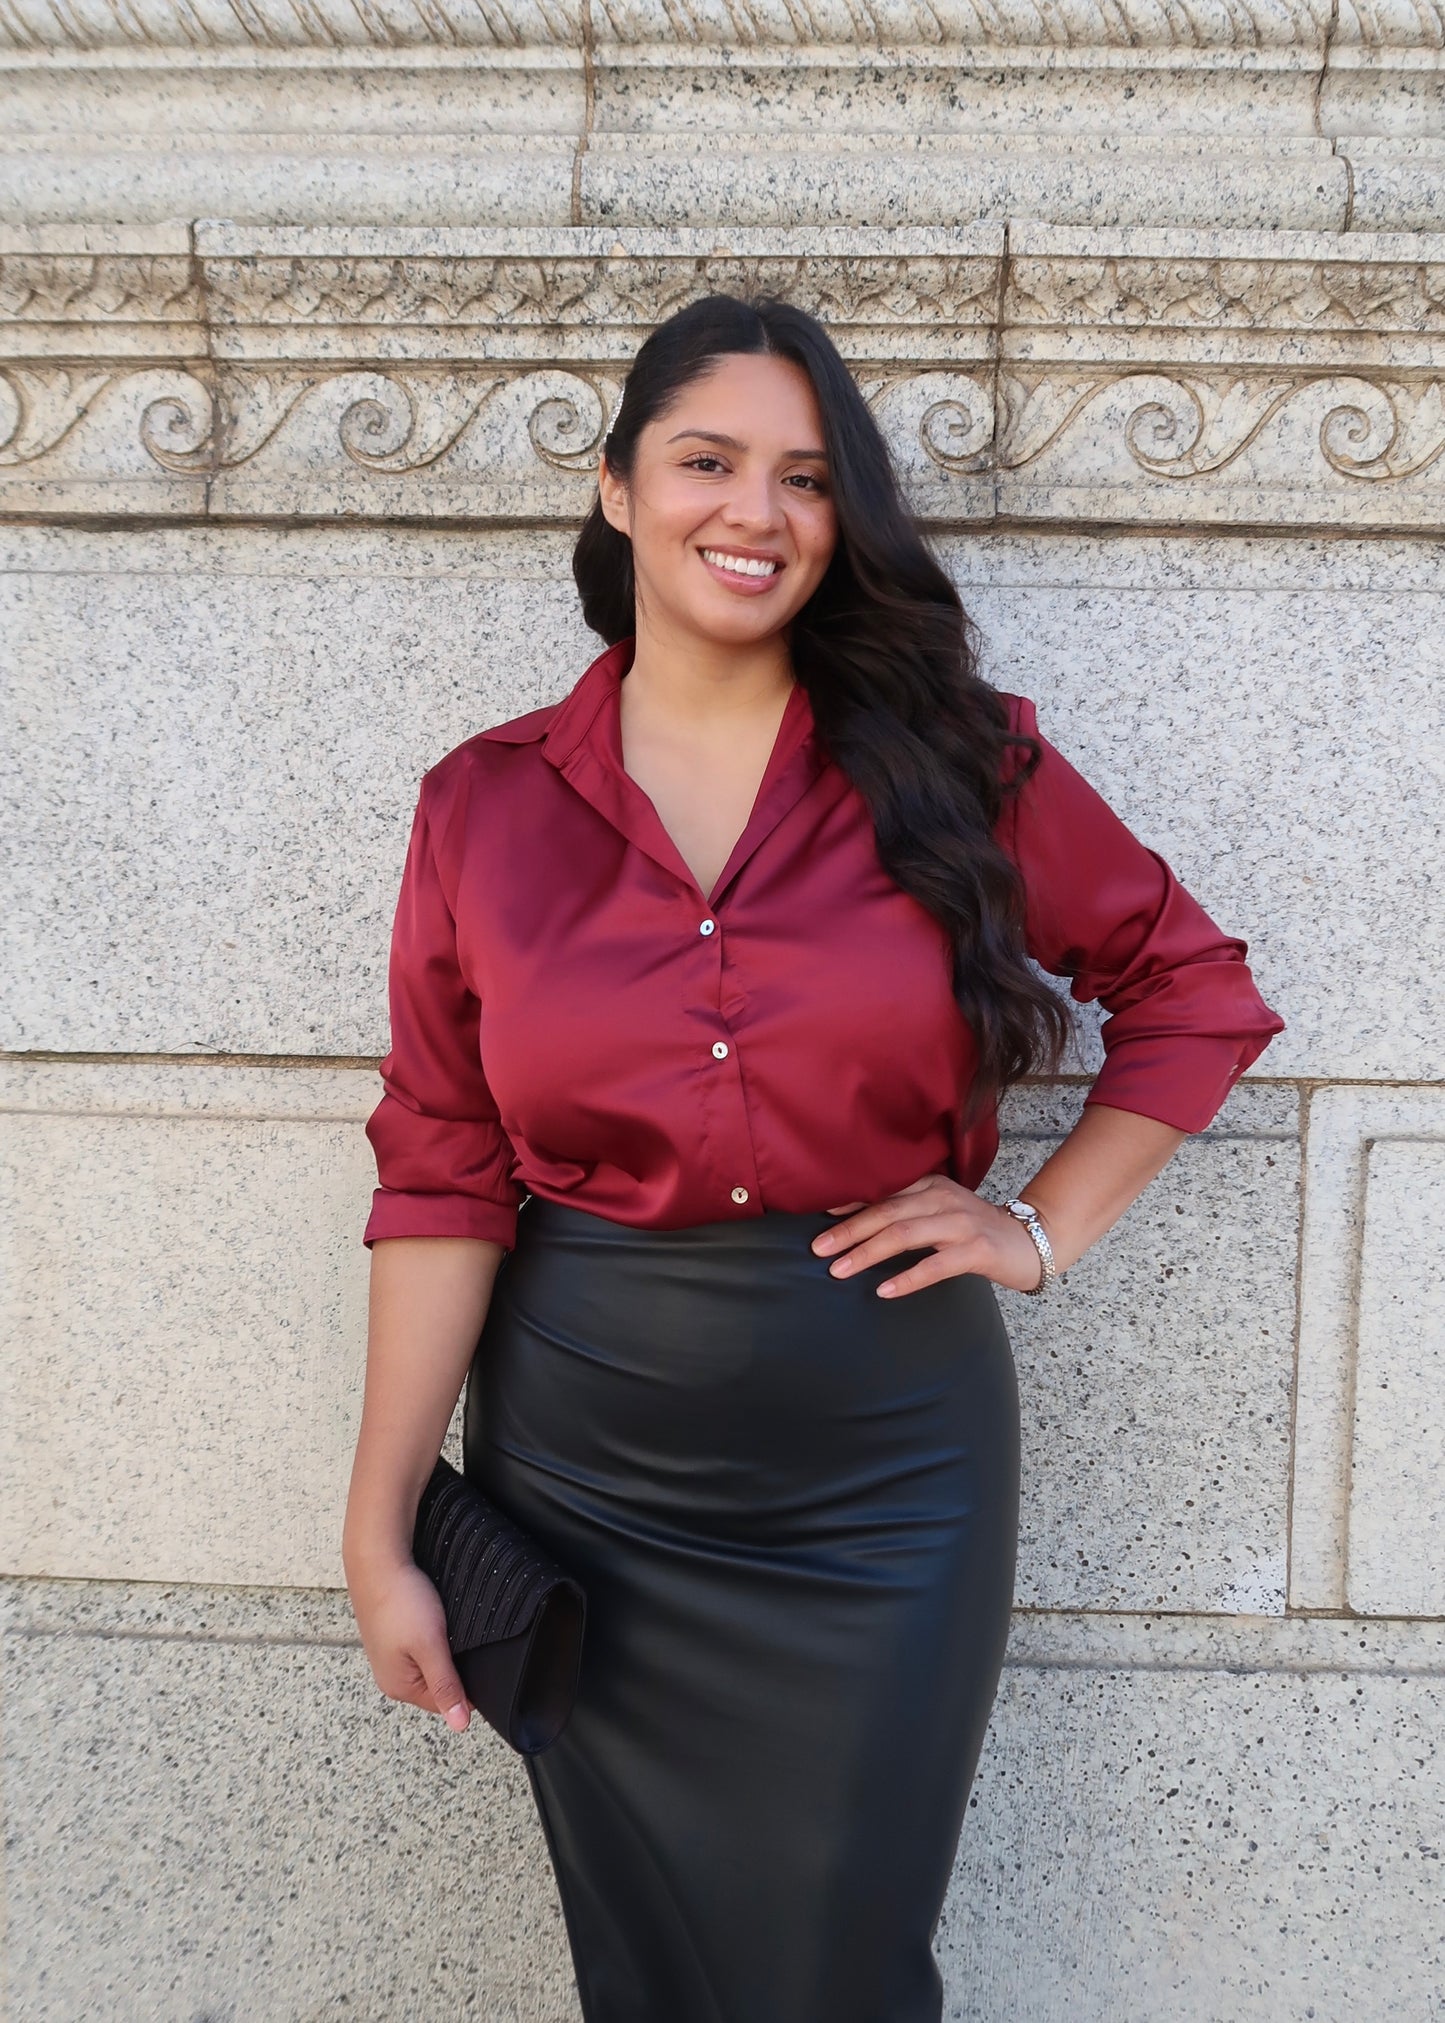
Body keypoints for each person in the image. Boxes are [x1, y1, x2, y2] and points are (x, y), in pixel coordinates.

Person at [342, 292, 1285, 2023]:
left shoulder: (962, 763)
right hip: (587, 1463)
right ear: (618, 487)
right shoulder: (484, 806)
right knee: (651, 1973)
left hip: (882, 1476)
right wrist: (379, 1520)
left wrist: (1036, 1228)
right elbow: (443, 1166)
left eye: (804, 478)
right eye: (707, 462)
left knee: (837, 1965)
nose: (753, 513)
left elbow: (1193, 990)